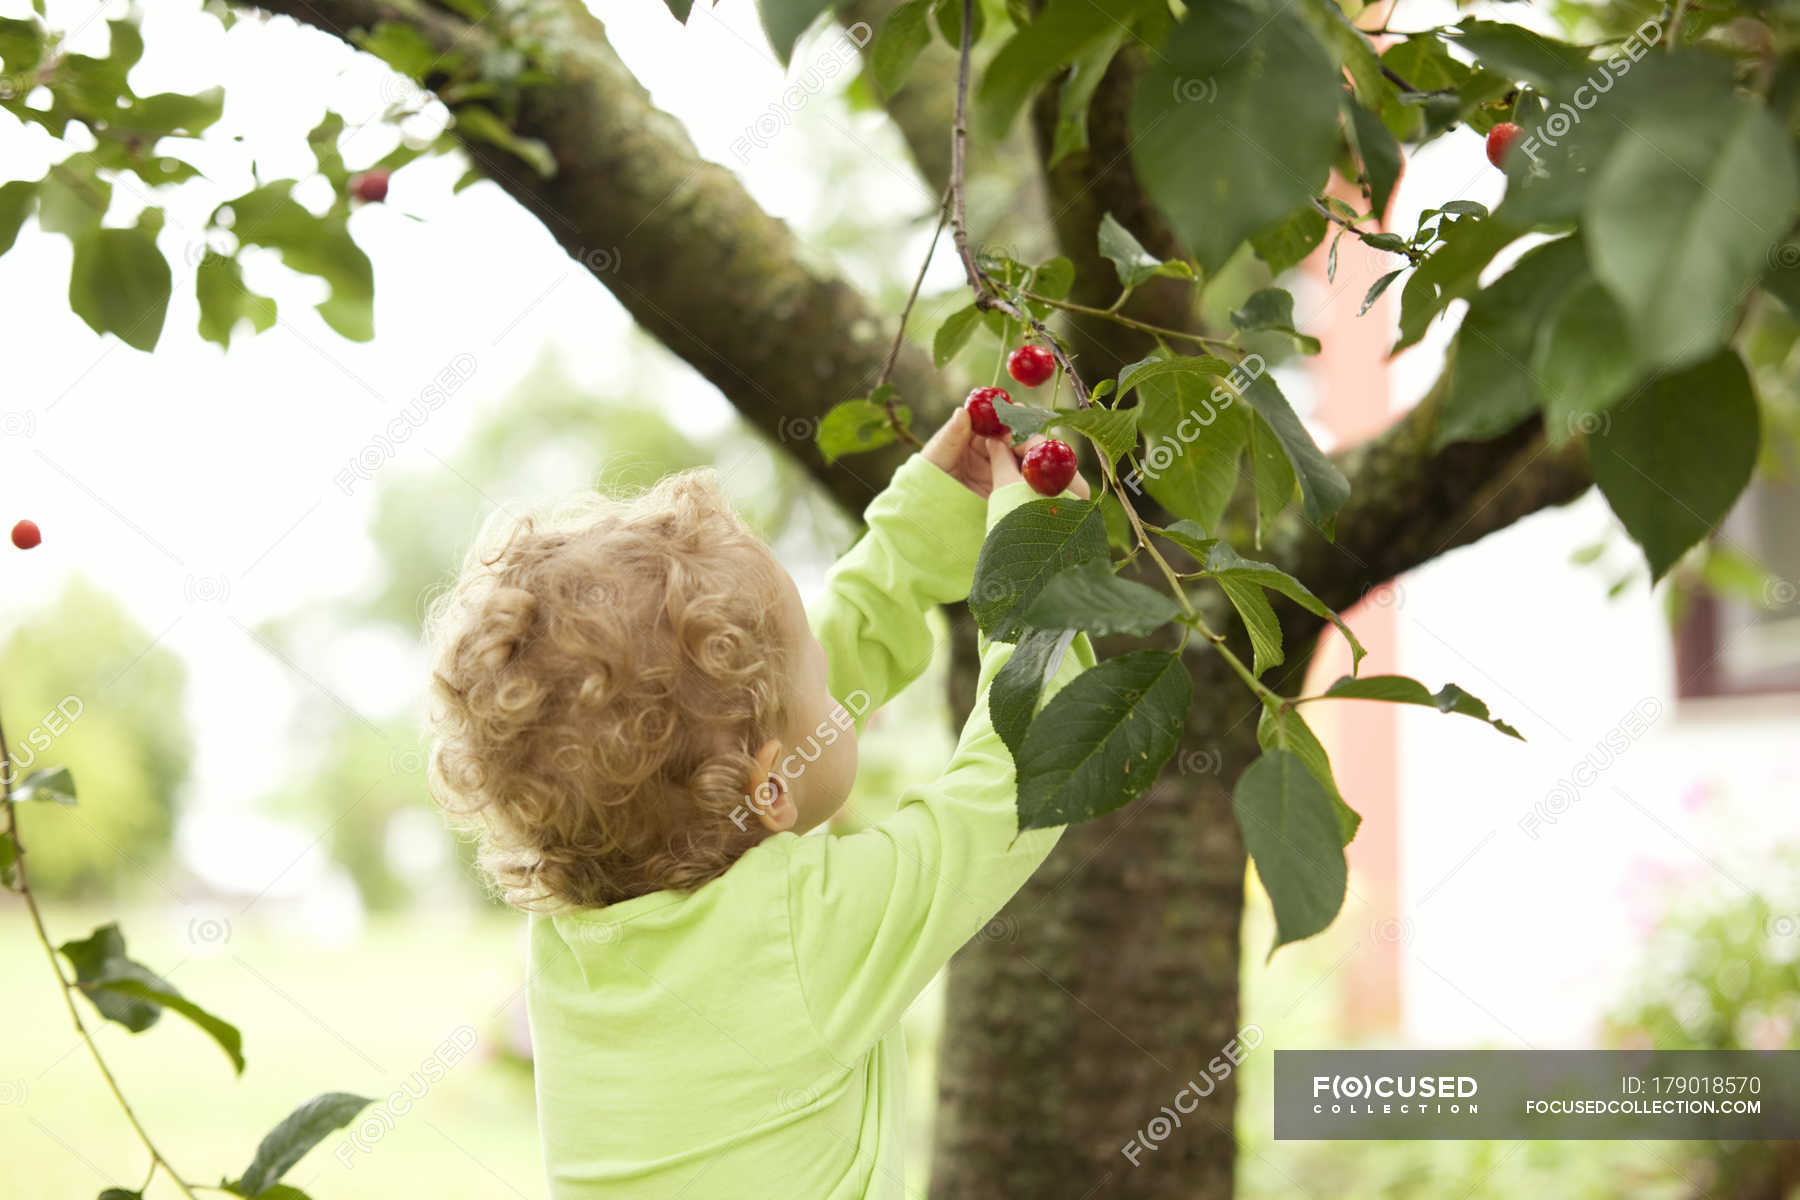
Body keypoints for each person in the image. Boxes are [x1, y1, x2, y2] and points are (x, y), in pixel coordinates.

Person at [424, 410, 1093, 1197]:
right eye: (817, 665)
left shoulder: (576, 932)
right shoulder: (805, 933)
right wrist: (1037, 558)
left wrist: (918, 537)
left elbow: (754, 723)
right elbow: (1018, 777)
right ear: (769, 787)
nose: (832, 674)